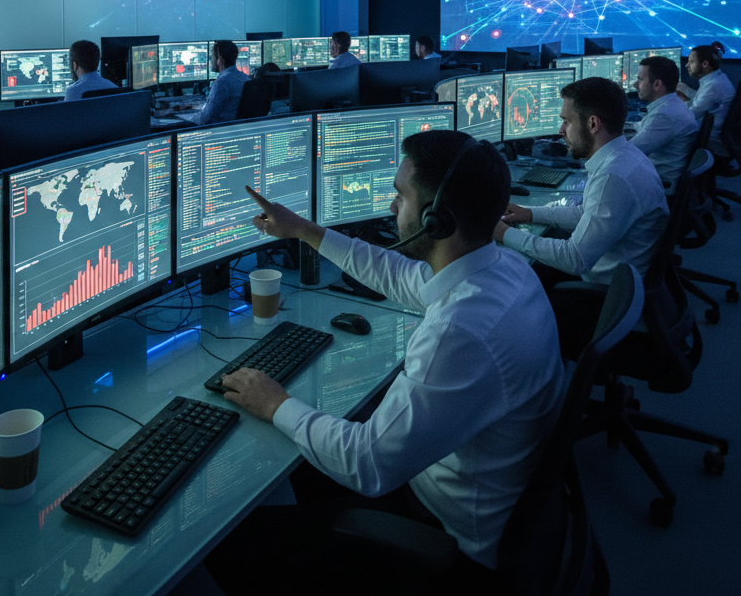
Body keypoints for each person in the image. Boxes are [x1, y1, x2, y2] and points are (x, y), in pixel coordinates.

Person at [205, 131, 564, 592]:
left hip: (447, 535)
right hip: (468, 481)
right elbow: (399, 274)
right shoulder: (502, 266)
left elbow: (368, 466)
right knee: (285, 470)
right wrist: (302, 230)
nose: (392, 207)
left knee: (234, 540)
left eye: (401, 195)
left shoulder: (460, 333)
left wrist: (276, 403)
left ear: (436, 220)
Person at [496, 77, 668, 285]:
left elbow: (574, 260)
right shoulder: (624, 156)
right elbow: (588, 213)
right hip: (617, 276)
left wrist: (504, 234)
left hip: (602, 294)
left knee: (504, 276)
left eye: (566, 121)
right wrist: (530, 213)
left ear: (593, 124)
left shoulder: (613, 178)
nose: (561, 130)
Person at [630, 55, 697, 188]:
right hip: (656, 176)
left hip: (658, 186)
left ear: (657, 84)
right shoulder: (673, 105)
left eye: (640, 80)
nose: (635, 85)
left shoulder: (665, 116)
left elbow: (628, 151)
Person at [677, 44, 735, 158]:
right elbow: (704, 102)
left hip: (710, 143)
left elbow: (690, 116)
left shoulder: (713, 86)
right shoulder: (718, 78)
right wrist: (685, 94)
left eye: (692, 62)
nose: (687, 65)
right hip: (712, 137)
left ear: (705, 64)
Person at [193, 39, 248, 124]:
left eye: (212, 58)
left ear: (220, 59)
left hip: (220, 130)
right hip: (236, 128)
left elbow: (205, 118)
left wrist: (187, 118)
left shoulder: (222, 82)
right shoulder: (246, 78)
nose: (210, 61)